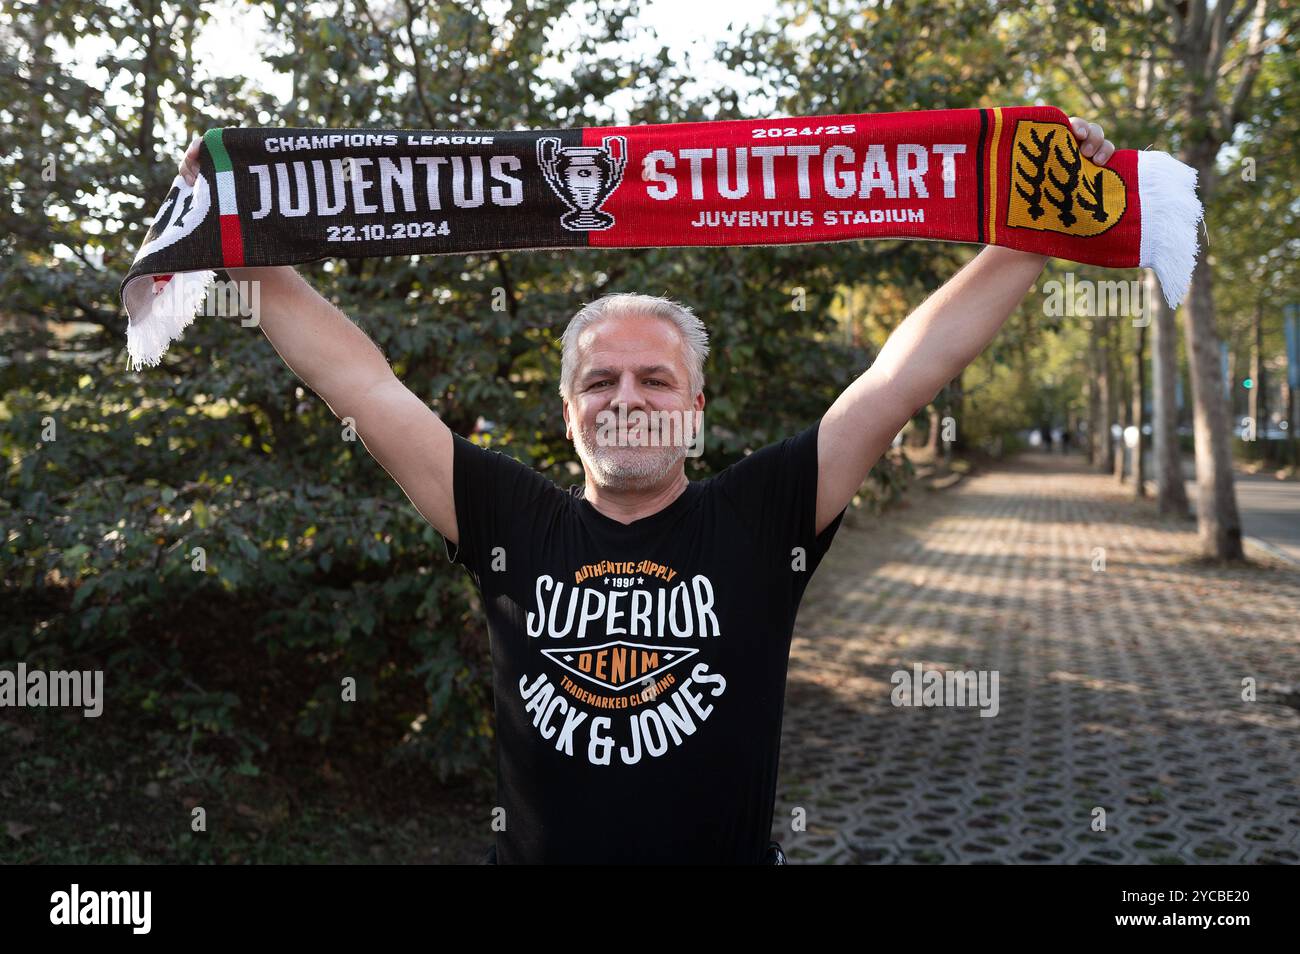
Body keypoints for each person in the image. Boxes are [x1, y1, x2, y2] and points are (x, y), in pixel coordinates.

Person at [177, 117, 1115, 865]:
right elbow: (364, 386)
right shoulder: (505, 516)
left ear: (695, 405)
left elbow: (900, 379)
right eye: (600, 381)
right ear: (569, 410)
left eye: (654, 380)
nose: (626, 398)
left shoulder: (764, 514)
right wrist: (238, 235)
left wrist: (1035, 229)